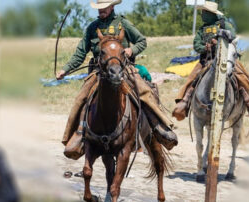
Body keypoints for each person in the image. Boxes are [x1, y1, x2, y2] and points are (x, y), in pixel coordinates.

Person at [56, 0, 177, 160]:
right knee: (81, 98)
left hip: (124, 69)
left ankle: (159, 126)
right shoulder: (93, 27)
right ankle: (76, 135)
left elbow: (142, 41)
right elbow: (80, 53)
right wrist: (65, 69)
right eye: (99, 9)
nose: (101, 11)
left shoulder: (123, 23)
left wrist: (130, 50)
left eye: (104, 8)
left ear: (112, 7)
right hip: (99, 72)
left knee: (145, 92)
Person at [172, 1, 249, 121]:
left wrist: (219, 42)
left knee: (242, 75)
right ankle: (184, 101)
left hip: (226, 57)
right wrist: (205, 47)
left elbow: (232, 37)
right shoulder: (202, 29)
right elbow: (196, 45)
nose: (202, 15)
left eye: (204, 12)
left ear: (211, 14)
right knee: (192, 78)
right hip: (206, 59)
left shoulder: (225, 24)